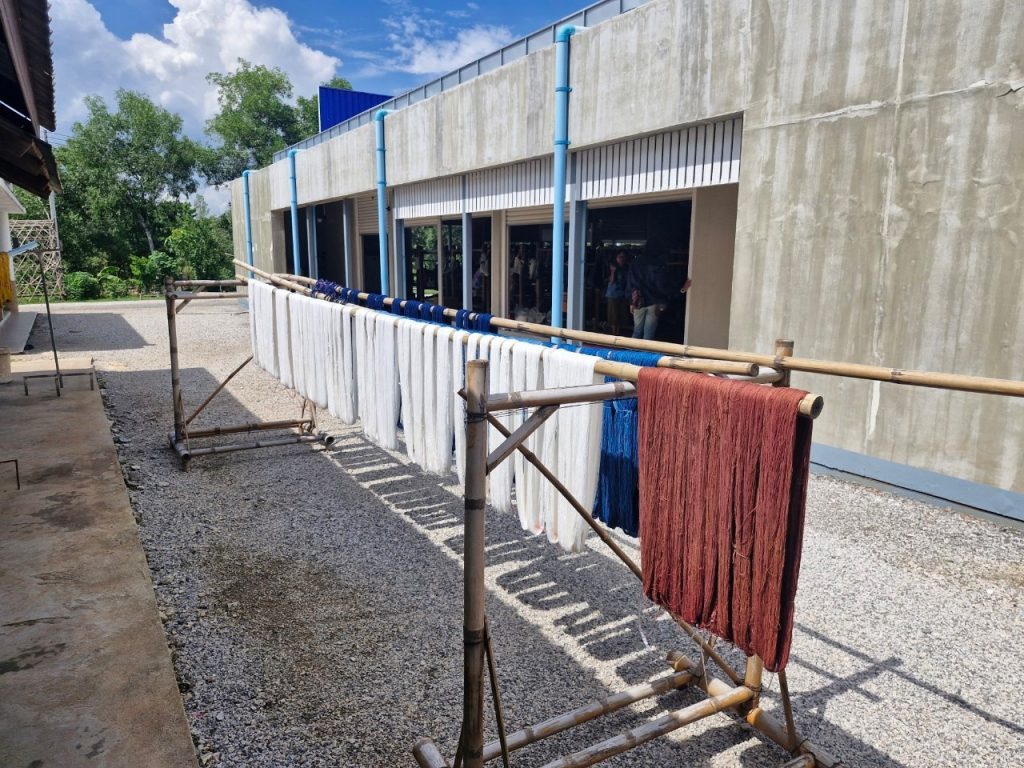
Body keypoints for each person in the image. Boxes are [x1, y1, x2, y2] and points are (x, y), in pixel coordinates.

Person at [627, 251, 691, 340]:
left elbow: (630, 284)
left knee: (637, 330)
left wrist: (631, 302)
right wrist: (681, 289)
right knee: (649, 333)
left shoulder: (635, 263)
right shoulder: (658, 264)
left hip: (638, 301)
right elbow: (663, 285)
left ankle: (632, 349)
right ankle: (646, 349)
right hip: (654, 302)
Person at [605, 251, 631, 335]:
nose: (622, 258)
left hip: (623, 294)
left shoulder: (627, 268)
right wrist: (613, 271)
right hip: (613, 294)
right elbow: (611, 281)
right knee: (613, 314)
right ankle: (614, 333)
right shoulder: (611, 267)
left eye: (623, 257)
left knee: (621, 314)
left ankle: (618, 332)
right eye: (620, 256)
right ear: (616, 258)